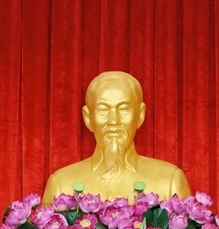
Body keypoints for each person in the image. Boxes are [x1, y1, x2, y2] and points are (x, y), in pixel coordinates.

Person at [42, 71, 192, 202]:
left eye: (124, 109)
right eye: (103, 110)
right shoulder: (61, 184)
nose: (113, 121)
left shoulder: (169, 181)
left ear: (140, 115)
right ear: (88, 118)